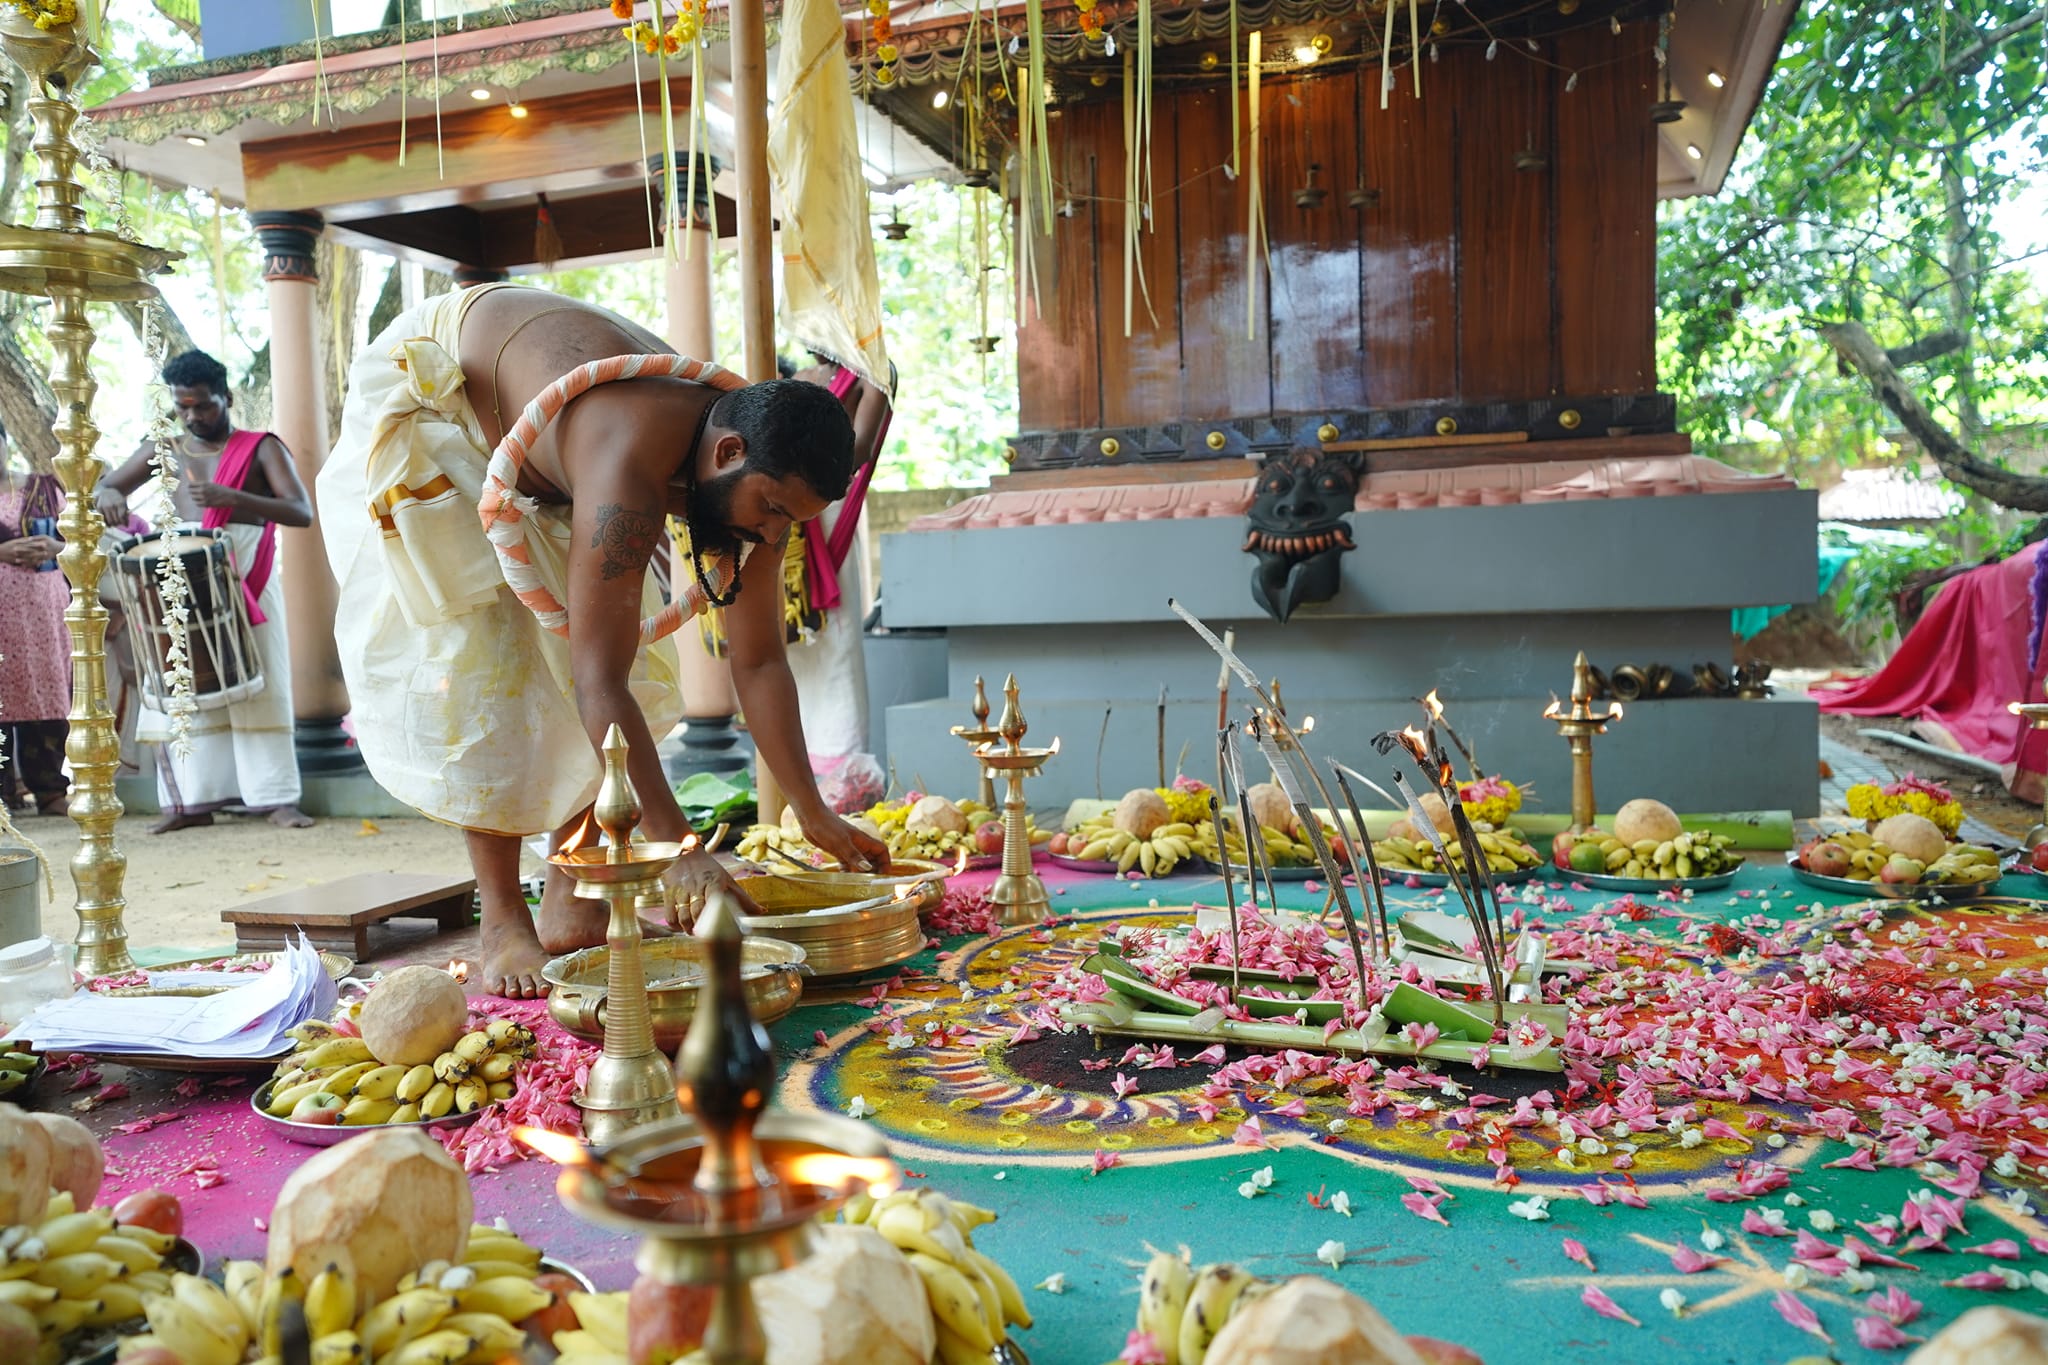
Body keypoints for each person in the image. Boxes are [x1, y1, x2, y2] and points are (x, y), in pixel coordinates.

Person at [318, 283, 889, 999]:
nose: (772, 536)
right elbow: (598, 681)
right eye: (772, 513)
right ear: (729, 451)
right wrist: (679, 850)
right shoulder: (628, 456)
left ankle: (572, 902)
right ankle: (501, 914)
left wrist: (813, 810)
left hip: (559, 443)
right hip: (450, 406)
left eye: (788, 523)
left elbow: (761, 658)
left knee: (630, 671)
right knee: (495, 661)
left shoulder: (761, 481)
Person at [95, 350, 315, 833]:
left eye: (203, 406)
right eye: (183, 407)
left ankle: (277, 798)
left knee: (265, 683)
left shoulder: (262, 448)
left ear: (227, 398)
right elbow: (106, 489)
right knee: (184, 686)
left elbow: (301, 511)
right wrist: (109, 493)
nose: (193, 416)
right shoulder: (164, 447)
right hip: (177, 581)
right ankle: (191, 803)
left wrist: (234, 499)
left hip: (246, 578)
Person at [0, 420, 71, 817]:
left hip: (43, 612)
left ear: (6, 442)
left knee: (46, 692)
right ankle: (5, 796)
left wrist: (54, 546)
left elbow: (82, 540)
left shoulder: (45, 488)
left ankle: (51, 791)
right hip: (0, 617)